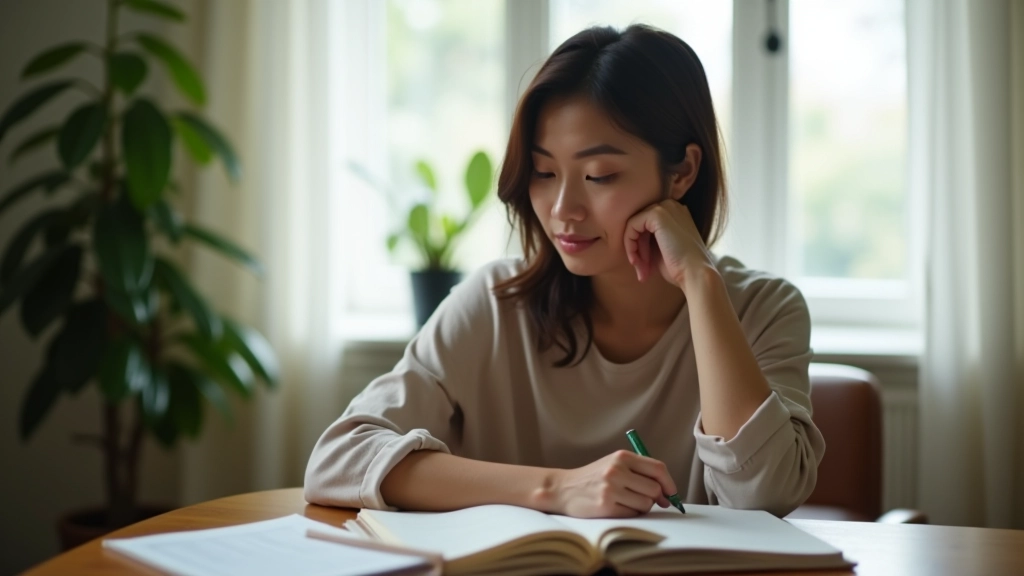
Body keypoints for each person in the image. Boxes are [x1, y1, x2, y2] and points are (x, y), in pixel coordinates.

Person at [304, 24, 824, 519]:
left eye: (599, 175)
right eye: (544, 172)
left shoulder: (765, 309)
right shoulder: (493, 304)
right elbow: (337, 460)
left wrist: (702, 284)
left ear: (683, 171)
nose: (562, 209)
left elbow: (764, 495)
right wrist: (554, 488)